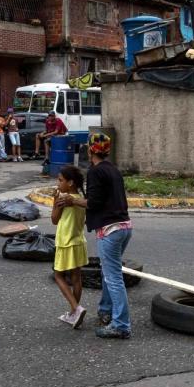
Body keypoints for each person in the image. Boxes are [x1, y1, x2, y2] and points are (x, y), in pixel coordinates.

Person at [56, 132, 132, 339]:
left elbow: (94, 203)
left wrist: (72, 200)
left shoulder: (96, 171)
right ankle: (106, 311)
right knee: (109, 273)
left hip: (110, 230)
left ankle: (121, 325)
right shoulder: (113, 170)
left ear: (90, 150)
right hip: (125, 227)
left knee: (113, 277)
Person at [51, 165, 88, 328]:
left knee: (58, 276)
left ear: (70, 182)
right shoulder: (79, 198)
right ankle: (74, 314)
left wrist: (55, 201)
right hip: (78, 241)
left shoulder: (64, 199)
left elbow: (54, 220)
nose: (58, 183)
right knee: (76, 278)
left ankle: (76, 308)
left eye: (60, 180)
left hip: (65, 242)